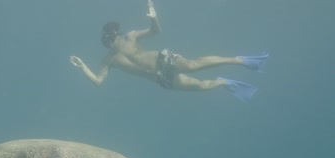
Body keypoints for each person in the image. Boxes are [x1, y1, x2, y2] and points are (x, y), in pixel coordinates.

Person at [70, 0, 268, 102]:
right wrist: (82, 66)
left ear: (116, 34)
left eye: (112, 37)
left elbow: (156, 31)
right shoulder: (108, 60)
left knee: (192, 65)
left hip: (162, 60)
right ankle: (225, 82)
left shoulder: (130, 36)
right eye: (108, 41)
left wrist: (153, 16)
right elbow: (98, 81)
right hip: (159, 77)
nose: (112, 41)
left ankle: (238, 60)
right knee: (200, 87)